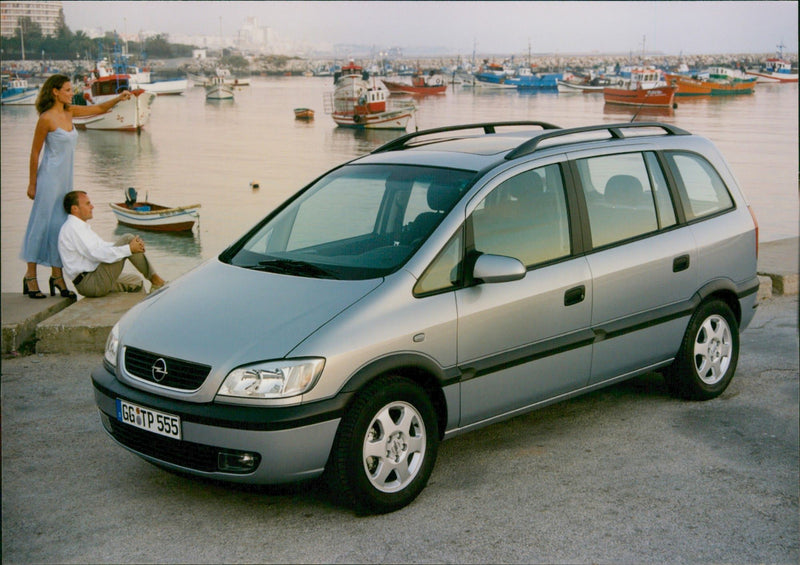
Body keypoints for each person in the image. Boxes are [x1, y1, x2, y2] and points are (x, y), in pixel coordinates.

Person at [21, 74, 132, 299]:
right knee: (41, 225)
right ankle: (30, 276)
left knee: (60, 228)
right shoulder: (46, 118)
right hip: (49, 180)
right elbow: (35, 152)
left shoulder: (70, 112)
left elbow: (99, 110)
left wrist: (119, 98)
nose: (72, 93)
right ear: (55, 91)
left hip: (65, 180)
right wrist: (32, 183)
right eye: (69, 90)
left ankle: (56, 275)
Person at [58, 191, 166, 298]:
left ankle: (138, 310)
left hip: (94, 276)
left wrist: (130, 247)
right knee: (128, 238)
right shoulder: (73, 228)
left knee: (136, 282)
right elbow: (96, 253)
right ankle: (157, 281)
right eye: (87, 204)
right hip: (89, 282)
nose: (92, 207)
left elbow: (101, 246)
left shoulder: (80, 227)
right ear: (75, 209)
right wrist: (129, 249)